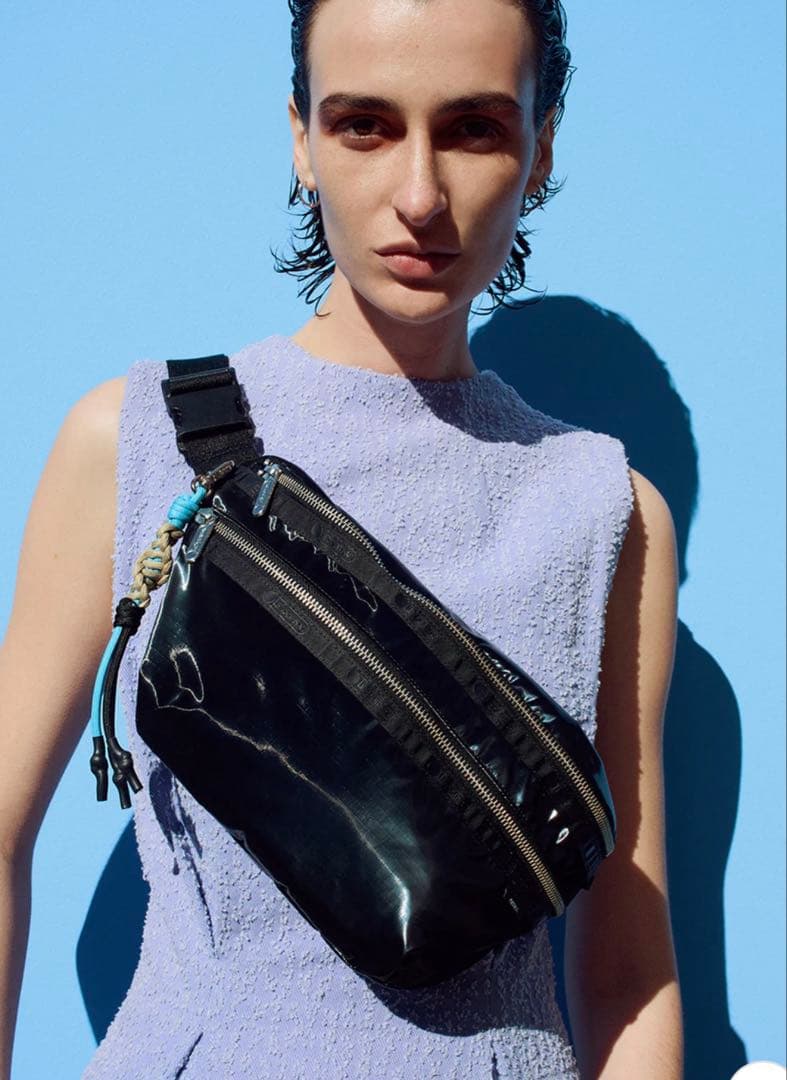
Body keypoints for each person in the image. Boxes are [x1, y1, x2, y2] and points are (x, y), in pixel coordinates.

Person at [0, 0, 685, 1076]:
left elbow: (625, 962)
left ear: (541, 147)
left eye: (473, 128)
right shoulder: (136, 439)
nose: (419, 195)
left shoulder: (607, 512)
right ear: (300, 138)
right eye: (364, 124)